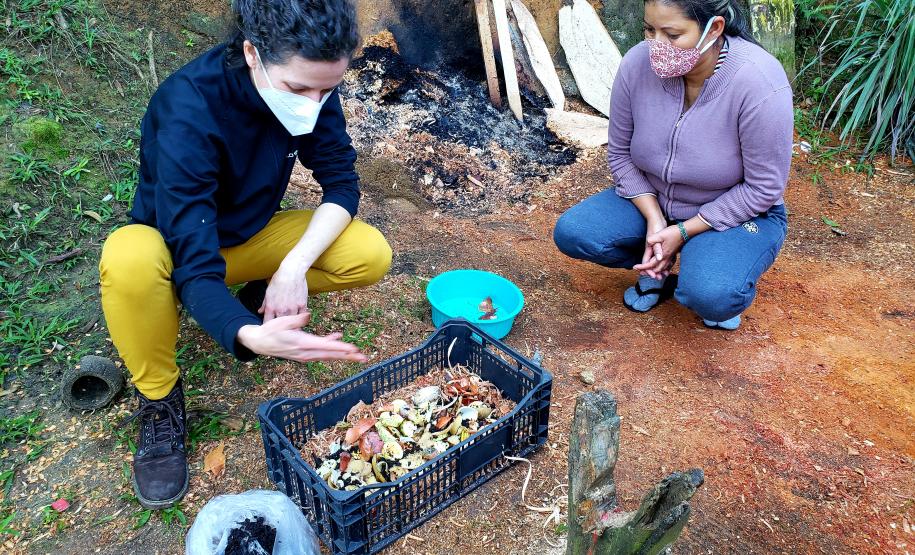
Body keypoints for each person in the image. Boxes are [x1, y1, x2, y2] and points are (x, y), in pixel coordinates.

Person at [98, 0, 392, 509]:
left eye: (327, 89)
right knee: (128, 258)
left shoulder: (313, 87)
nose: (313, 102)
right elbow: (193, 259)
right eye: (300, 89)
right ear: (253, 53)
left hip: (251, 238)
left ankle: (260, 296)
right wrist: (245, 337)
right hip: (175, 248)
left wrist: (293, 267)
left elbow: (341, 184)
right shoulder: (188, 107)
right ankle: (160, 399)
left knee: (367, 251)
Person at [554, 0, 792, 331]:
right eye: (650, 30)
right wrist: (655, 220)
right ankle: (662, 264)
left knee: (712, 295)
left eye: (673, 34)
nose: (656, 46)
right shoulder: (637, 64)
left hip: (735, 214)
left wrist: (684, 231)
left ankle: (704, 270)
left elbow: (763, 187)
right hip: (655, 198)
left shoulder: (758, 82)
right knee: (575, 233)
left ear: (715, 28)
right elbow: (621, 153)